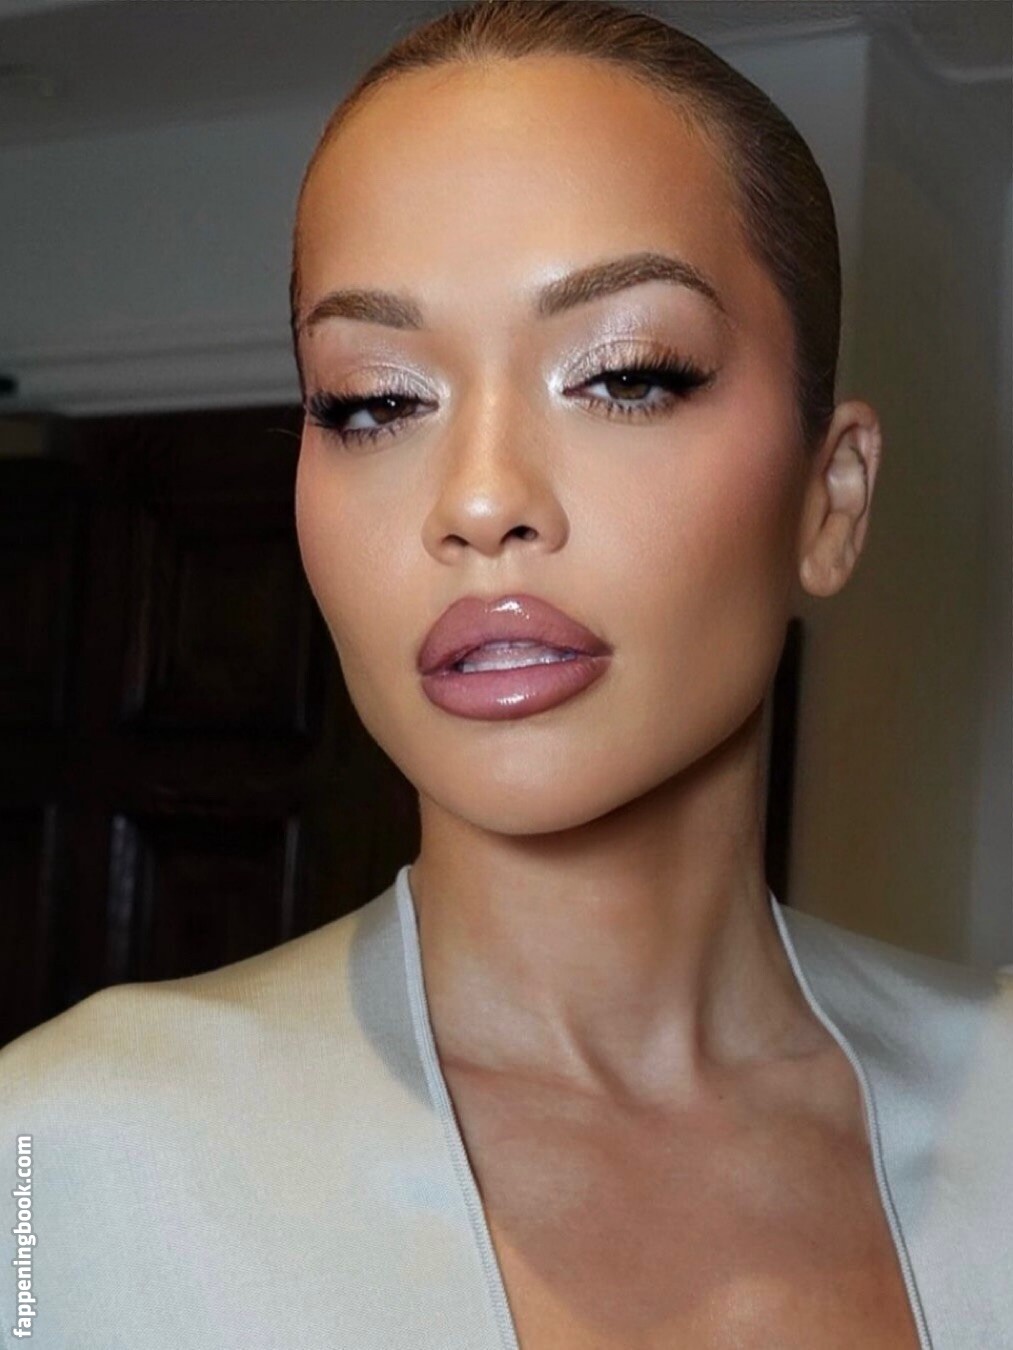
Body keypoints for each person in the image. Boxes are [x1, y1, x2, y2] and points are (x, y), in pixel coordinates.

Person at [2, 2, 1010, 1347]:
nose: (479, 500)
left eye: (626, 376)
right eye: (373, 401)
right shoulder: (59, 1153)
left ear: (829, 500)